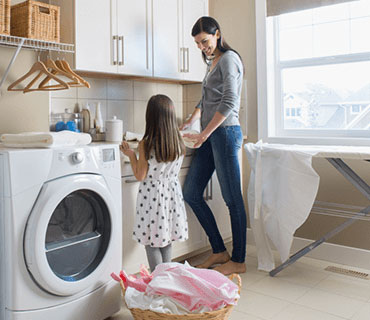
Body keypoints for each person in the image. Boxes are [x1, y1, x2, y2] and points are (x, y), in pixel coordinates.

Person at [181, 16, 246, 275]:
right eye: (197, 43)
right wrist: (193, 119)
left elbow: (229, 101)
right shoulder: (213, 63)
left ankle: (238, 260)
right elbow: (207, 97)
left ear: (217, 34)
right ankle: (219, 251)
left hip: (225, 133)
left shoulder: (229, 59)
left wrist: (205, 134)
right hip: (209, 135)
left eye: (204, 41)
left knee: (233, 200)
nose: (202, 47)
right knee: (192, 193)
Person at [120, 94, 188, 272]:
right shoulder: (178, 142)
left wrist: (132, 156)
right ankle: (168, 280)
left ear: (150, 117)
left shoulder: (146, 144)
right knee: (166, 240)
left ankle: (160, 283)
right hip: (171, 196)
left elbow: (140, 175)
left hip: (152, 199)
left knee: (151, 243)